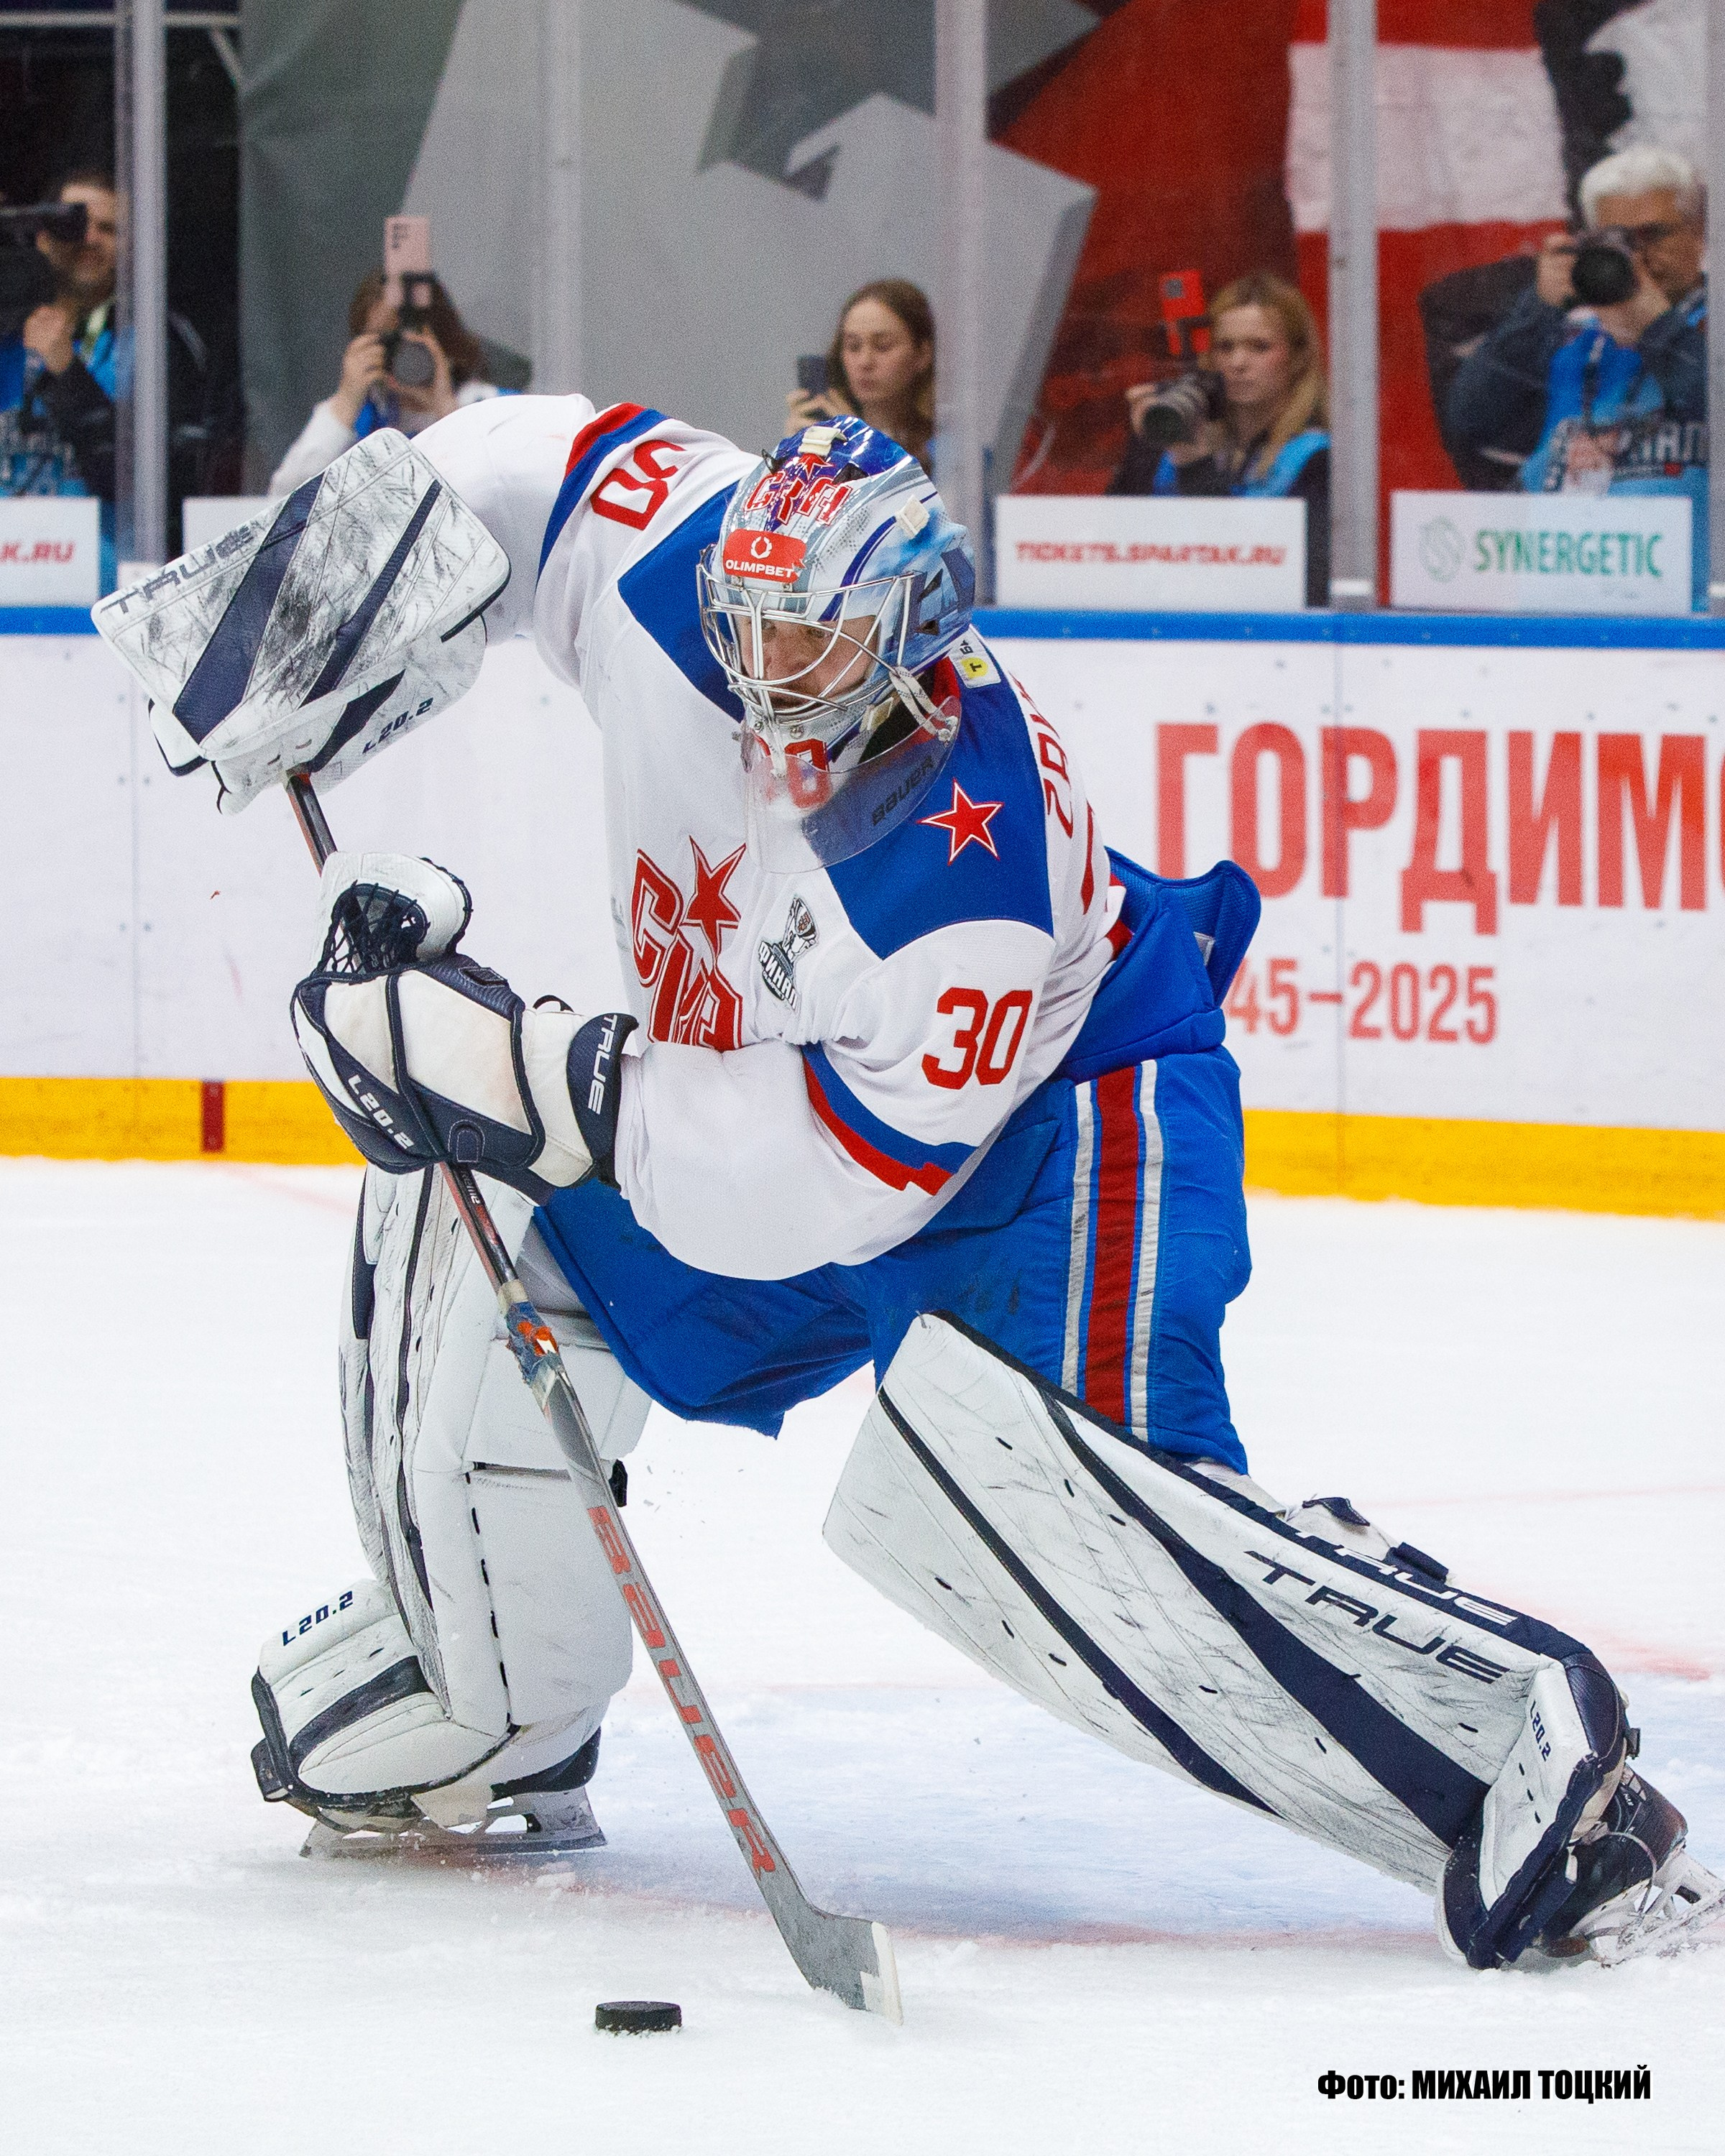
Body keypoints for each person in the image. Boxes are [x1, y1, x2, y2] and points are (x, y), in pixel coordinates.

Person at [113, 397, 1721, 1973]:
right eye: (745, 629)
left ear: (917, 628)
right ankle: (494, 1700)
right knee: (484, 1224)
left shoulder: (966, 874)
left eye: (808, 648)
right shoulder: (677, 559)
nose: (760, 680)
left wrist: (534, 1080)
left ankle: (1531, 1763)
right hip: (764, 1109)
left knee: (1068, 1520)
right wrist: (313, 616)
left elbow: (823, 1186)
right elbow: (511, 465)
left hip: (1047, 1134)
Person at [1447, 146, 1707, 605]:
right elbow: (1470, 420)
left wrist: (1656, 327)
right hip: (1559, 596)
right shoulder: (1571, 336)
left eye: (1653, 235)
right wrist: (1540, 306)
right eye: (1618, 241)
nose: (1638, 258)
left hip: (1690, 610)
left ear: (1700, 232)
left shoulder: (1710, 328)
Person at [1110, 274, 1330, 608]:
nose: (1238, 364)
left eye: (1259, 347)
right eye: (1225, 347)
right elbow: (1107, 552)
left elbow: (1301, 587)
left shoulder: (1316, 459)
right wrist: (1146, 444)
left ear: (1297, 357)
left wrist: (1195, 465)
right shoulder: (1170, 438)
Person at [267, 268, 503, 494]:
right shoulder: (356, 417)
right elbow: (284, 497)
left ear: (443, 338)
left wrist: (446, 409)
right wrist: (347, 401)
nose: (402, 353)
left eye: (412, 339)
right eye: (387, 341)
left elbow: (501, 494)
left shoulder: (489, 406)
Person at [786, 277, 934, 470]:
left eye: (883, 346)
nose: (865, 362)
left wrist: (858, 443)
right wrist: (790, 459)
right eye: (853, 347)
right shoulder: (828, 433)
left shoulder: (945, 446)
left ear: (922, 354)